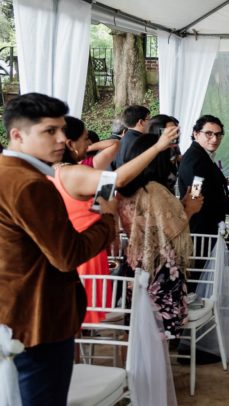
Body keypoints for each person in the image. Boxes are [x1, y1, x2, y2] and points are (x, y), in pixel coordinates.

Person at [0, 93, 117, 406]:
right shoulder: (30, 183)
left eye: (64, 131)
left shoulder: (17, 172)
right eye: (49, 131)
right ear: (17, 135)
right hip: (39, 314)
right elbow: (66, 256)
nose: (62, 139)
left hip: (14, 308)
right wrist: (108, 219)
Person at [52, 116, 179, 323]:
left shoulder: (50, 172)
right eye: (85, 139)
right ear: (70, 144)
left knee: (71, 323)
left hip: (64, 254)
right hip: (85, 257)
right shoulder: (74, 173)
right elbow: (115, 180)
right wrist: (157, 148)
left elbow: (100, 197)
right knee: (80, 321)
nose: (90, 145)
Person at [117, 133, 204, 338]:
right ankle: (157, 370)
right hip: (160, 267)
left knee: (137, 328)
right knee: (157, 331)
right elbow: (171, 230)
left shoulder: (123, 190)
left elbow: (154, 222)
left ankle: (138, 368)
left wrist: (181, 205)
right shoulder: (155, 190)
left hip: (135, 261)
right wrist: (189, 210)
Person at [178, 115, 229, 235]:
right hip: (201, 230)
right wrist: (228, 203)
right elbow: (195, 195)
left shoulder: (203, 156)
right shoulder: (196, 160)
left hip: (209, 226)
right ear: (196, 134)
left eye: (218, 135)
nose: (214, 139)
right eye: (209, 133)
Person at [111, 104, 150, 169]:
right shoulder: (141, 142)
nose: (150, 122)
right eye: (148, 119)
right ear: (140, 122)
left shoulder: (123, 139)